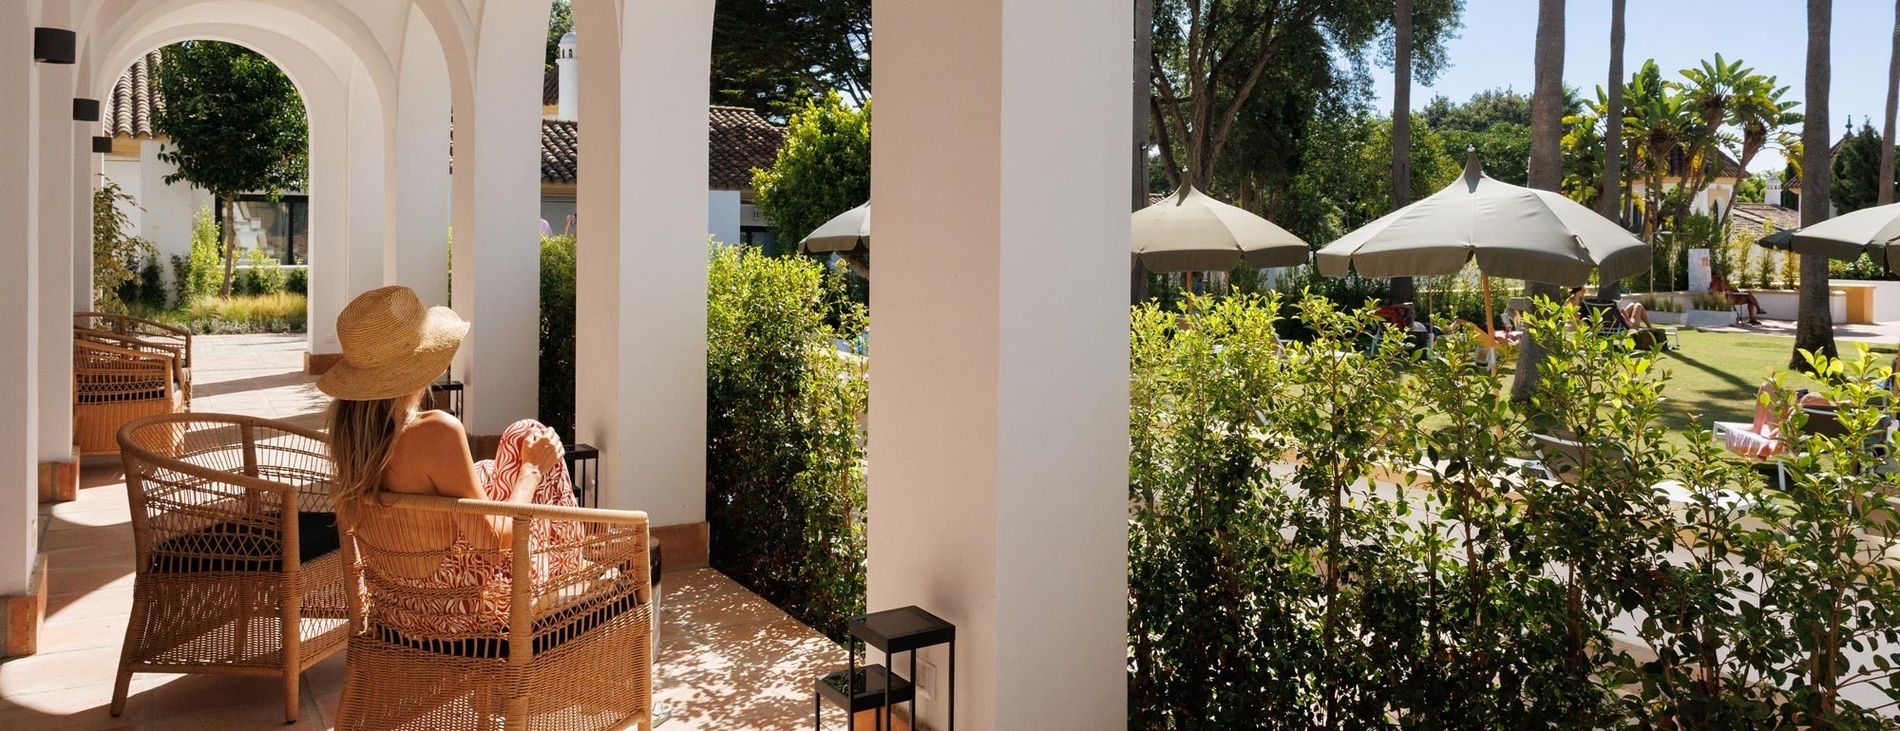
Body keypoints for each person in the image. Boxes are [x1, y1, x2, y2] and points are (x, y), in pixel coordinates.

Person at [321, 285, 582, 636]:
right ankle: (574, 570)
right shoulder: (437, 433)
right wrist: (532, 471)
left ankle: (570, 561)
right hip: (469, 609)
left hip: (398, 608)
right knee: (530, 441)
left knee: (511, 444)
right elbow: (491, 545)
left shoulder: (349, 439)